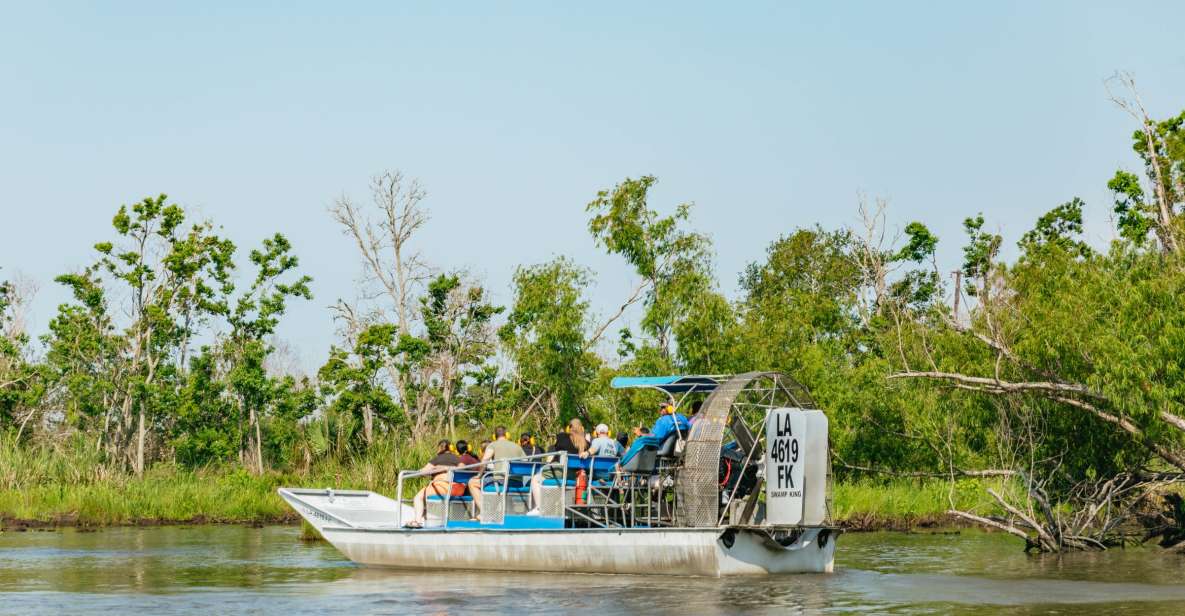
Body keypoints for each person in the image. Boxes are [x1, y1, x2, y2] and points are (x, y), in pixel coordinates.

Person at [527, 418, 588, 515]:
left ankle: (539, 508)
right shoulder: (586, 443)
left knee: (535, 479)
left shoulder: (562, 437)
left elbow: (557, 446)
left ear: (569, 428)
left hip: (559, 471)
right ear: (582, 428)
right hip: (572, 475)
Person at [466, 426, 526, 517]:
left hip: (501, 481)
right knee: (492, 481)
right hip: (517, 483)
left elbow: (485, 460)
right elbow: (526, 462)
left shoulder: (492, 445)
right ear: (506, 435)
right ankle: (492, 512)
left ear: (494, 436)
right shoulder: (517, 446)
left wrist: (479, 475)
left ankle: (485, 512)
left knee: (472, 483)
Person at [406, 439, 462, 528]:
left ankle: (417, 520)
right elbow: (462, 469)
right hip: (456, 488)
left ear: (440, 448)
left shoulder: (438, 459)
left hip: (442, 486)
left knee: (418, 497)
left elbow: (424, 471)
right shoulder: (458, 458)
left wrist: (428, 472)